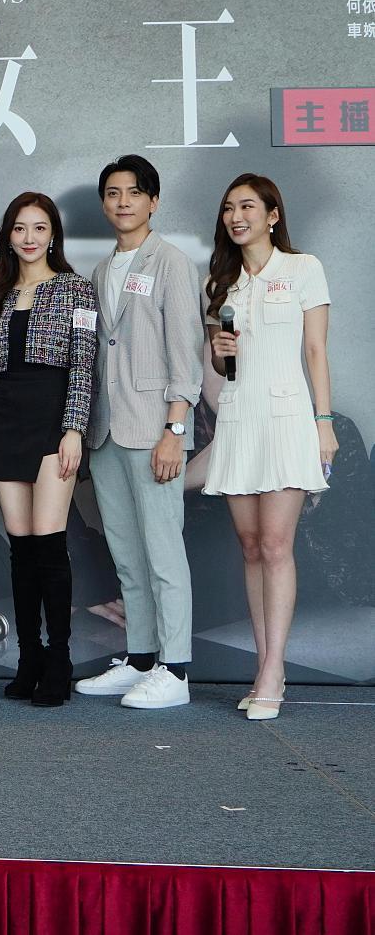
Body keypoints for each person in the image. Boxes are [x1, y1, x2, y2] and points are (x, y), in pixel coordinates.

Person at [202, 174, 335, 722]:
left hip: (287, 418)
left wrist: (323, 422)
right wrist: (219, 350)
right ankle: (264, 665)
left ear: (273, 215)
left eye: (248, 207)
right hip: (238, 418)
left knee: (277, 545)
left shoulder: (303, 268)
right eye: (229, 208)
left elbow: (315, 350)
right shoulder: (220, 283)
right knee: (251, 545)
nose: (237, 217)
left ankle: (273, 670)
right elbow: (220, 366)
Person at [76, 156, 203, 710]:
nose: (122, 202)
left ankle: (175, 669)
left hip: (155, 429)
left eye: (133, 192)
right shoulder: (103, 270)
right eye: (112, 193)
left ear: (153, 201)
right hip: (107, 431)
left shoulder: (171, 262)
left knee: (163, 553)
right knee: (126, 553)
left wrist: (175, 427)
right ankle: (142, 657)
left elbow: (186, 353)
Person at [0, 193, 98, 708]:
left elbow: (84, 365)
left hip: (52, 421)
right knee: (20, 549)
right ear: (8, 235)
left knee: (49, 545)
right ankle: (29, 659)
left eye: (39, 228)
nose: (29, 237)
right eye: (20, 228)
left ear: (53, 235)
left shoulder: (76, 289)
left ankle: (59, 661)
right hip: (4, 421)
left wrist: (73, 429)